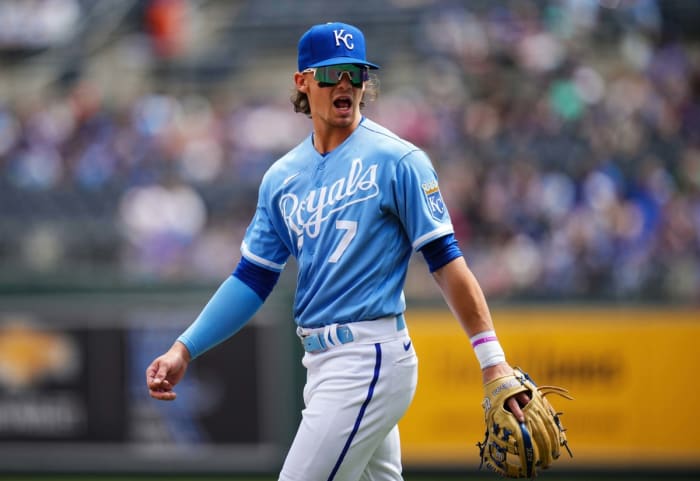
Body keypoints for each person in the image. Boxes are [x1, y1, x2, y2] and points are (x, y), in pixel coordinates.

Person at [146, 21, 527, 481]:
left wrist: (492, 360)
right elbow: (251, 278)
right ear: (303, 83)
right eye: (331, 74)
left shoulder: (399, 160)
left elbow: (446, 263)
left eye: (356, 73)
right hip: (322, 364)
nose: (345, 84)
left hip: (368, 357)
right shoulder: (282, 177)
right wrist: (184, 349)